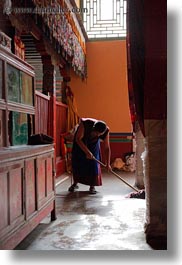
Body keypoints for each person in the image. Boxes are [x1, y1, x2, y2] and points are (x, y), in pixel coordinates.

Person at [68, 118, 111, 194]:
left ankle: (92, 186)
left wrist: (108, 164)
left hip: (93, 145)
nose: (97, 135)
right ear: (93, 129)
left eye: (99, 135)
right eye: (96, 133)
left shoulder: (106, 130)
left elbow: (107, 148)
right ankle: (75, 183)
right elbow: (78, 139)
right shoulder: (85, 124)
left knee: (93, 164)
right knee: (78, 163)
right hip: (80, 144)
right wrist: (87, 152)